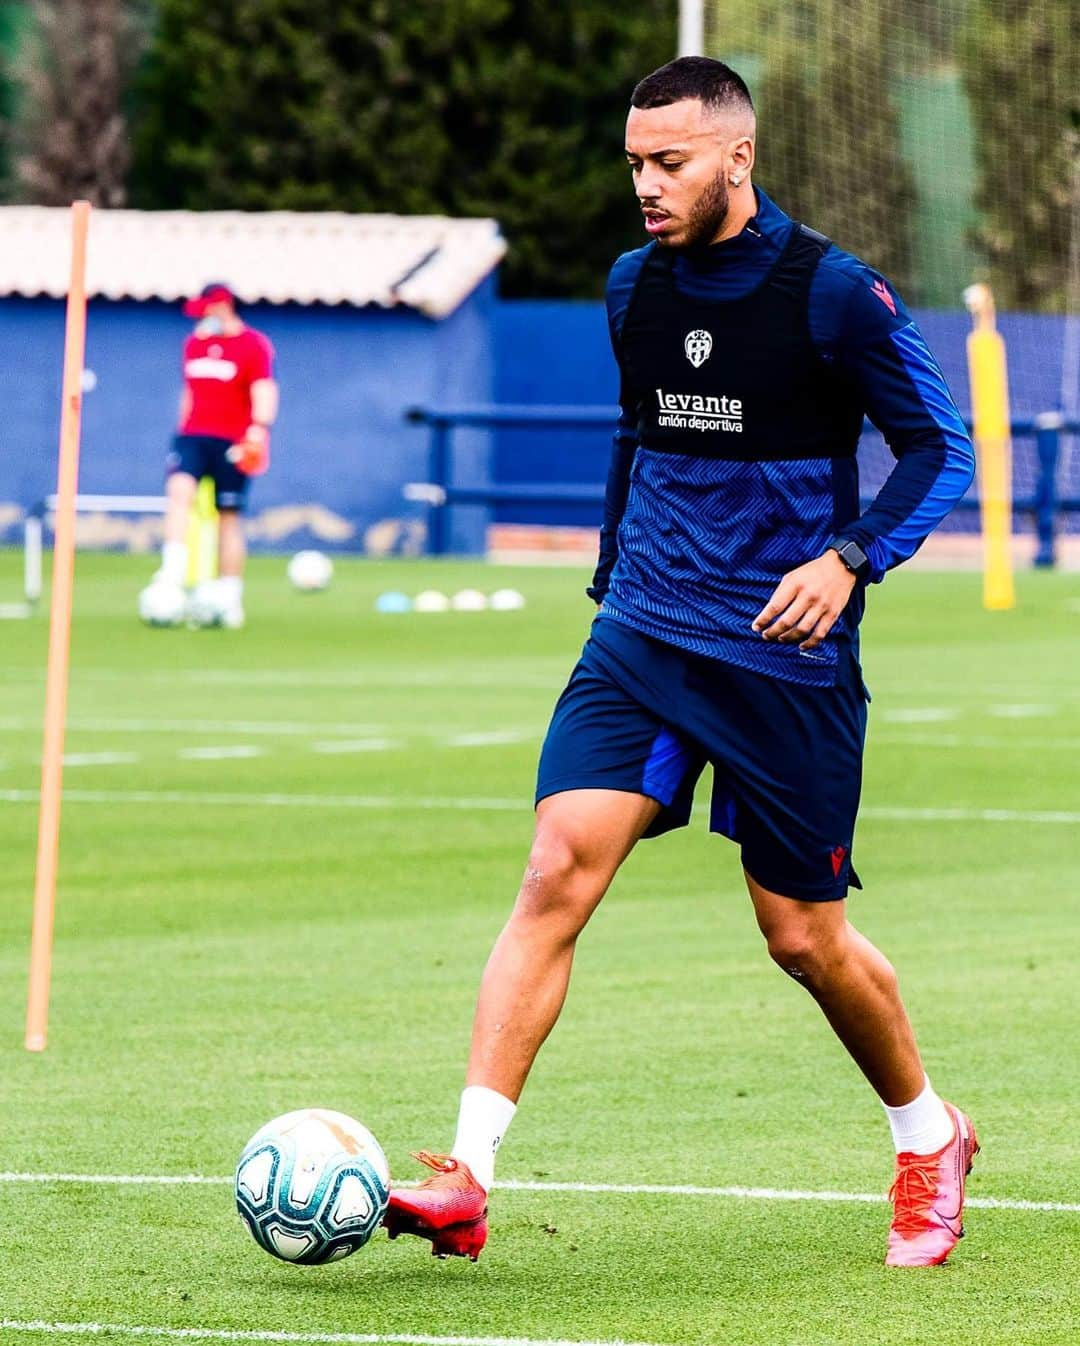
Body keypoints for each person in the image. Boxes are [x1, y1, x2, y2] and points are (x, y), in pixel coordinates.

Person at [383, 58, 978, 1269]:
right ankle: (466, 1175)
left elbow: (938, 449)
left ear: (737, 158)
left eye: (670, 163)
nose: (646, 186)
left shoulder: (835, 294)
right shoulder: (630, 287)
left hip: (782, 662)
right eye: (635, 164)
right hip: (644, 634)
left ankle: (929, 1133)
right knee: (555, 869)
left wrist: (851, 559)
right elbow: (640, 435)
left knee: (802, 937)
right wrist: (613, 573)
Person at [139, 282, 278, 629]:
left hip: (233, 440)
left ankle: (229, 595)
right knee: (179, 492)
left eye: (207, 309)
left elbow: (264, 389)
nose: (202, 316)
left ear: (224, 307)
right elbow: (189, 391)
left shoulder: (253, 345)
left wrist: (259, 431)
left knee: (228, 516)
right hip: (193, 436)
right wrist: (180, 431)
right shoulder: (195, 343)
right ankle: (172, 569)